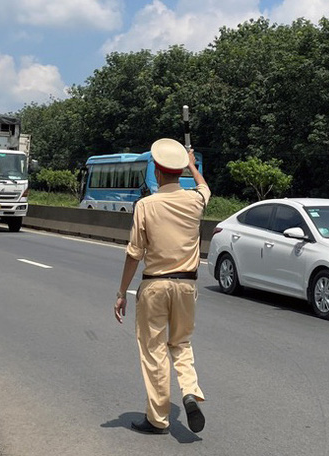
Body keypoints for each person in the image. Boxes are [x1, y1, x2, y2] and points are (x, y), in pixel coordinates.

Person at [114, 137, 211, 435]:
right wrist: (193, 167)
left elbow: (134, 254)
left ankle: (157, 419)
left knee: (154, 349)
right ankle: (190, 391)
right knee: (180, 343)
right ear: (180, 170)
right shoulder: (196, 201)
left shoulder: (145, 206)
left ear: (156, 170)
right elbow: (206, 188)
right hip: (187, 286)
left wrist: (121, 292)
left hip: (155, 285)